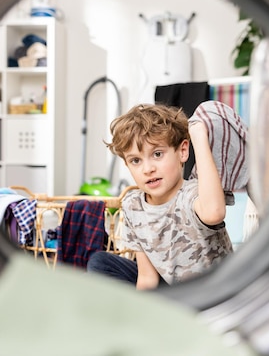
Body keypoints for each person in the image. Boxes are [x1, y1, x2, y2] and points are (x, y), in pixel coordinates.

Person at [87, 103, 234, 290]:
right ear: (126, 164)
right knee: (100, 262)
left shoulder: (193, 194)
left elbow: (214, 212)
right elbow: (147, 277)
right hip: (171, 290)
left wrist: (199, 139)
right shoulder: (133, 205)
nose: (148, 169)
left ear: (182, 151)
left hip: (212, 290)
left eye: (157, 154)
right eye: (136, 160)